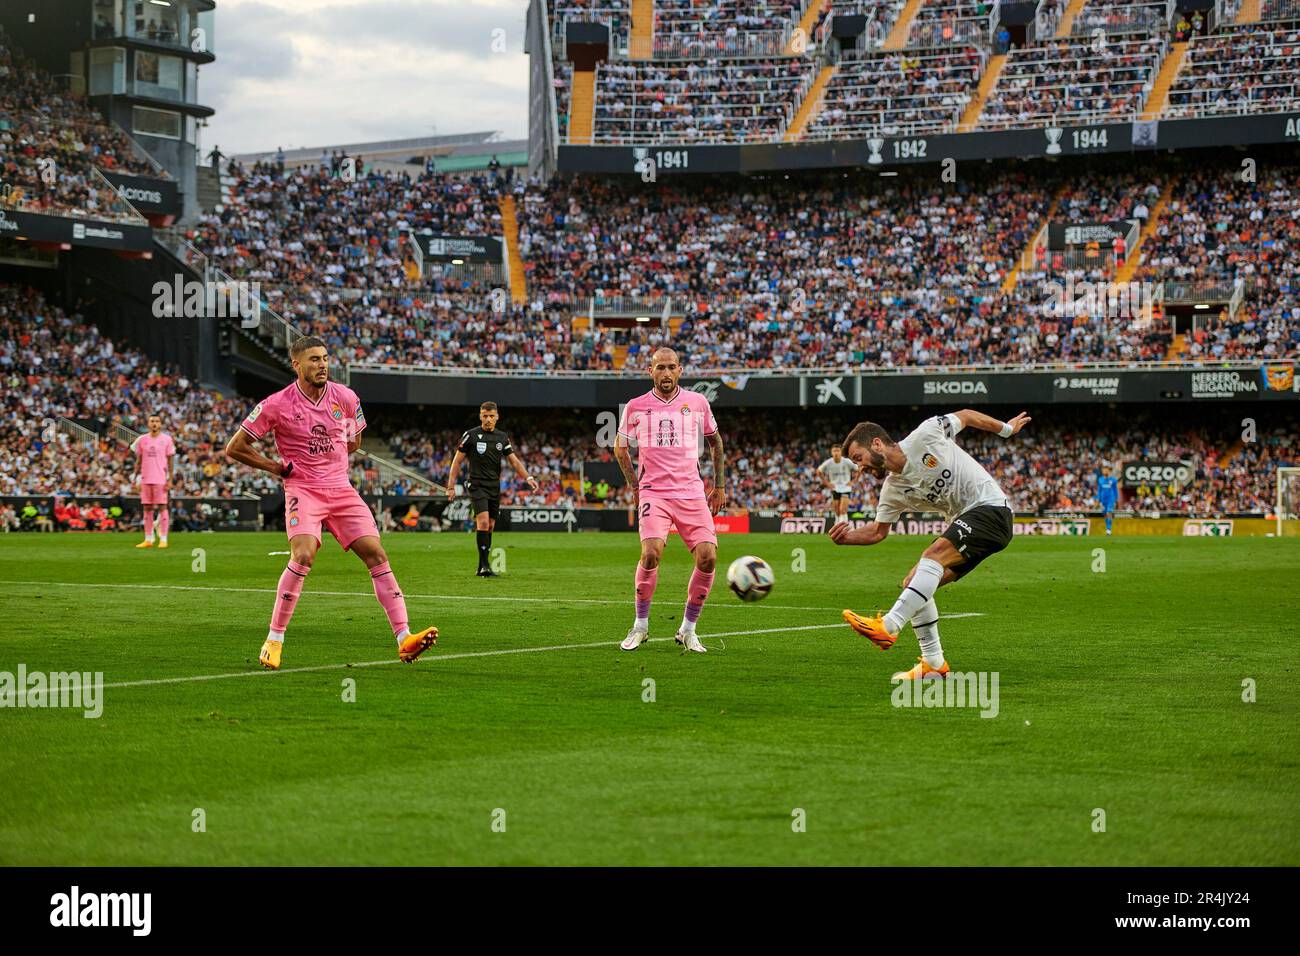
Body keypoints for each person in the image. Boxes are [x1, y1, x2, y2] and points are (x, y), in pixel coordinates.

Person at [225, 335, 439, 670]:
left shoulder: (347, 397)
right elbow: (235, 447)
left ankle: (405, 639)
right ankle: (274, 639)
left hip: (341, 489)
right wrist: (275, 466)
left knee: (376, 553)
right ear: (296, 365)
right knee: (305, 553)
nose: (322, 364)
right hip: (303, 489)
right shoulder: (276, 404)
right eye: (313, 359)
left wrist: (330, 454)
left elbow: (354, 440)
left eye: (325, 358)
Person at [831, 409, 1032, 681]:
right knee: (913, 582)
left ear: (876, 444)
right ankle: (933, 664)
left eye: (859, 458)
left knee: (932, 556)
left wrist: (1006, 430)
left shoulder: (926, 434)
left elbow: (968, 416)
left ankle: (889, 625)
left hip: (991, 508)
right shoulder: (892, 489)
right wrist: (847, 538)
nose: (860, 467)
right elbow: (878, 532)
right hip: (970, 523)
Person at [614, 347, 726, 654]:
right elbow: (620, 448)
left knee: (708, 557)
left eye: (671, 367)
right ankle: (640, 626)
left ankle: (688, 630)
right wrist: (635, 487)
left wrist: (719, 486)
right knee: (650, 554)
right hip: (655, 493)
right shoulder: (636, 407)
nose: (666, 373)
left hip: (692, 492)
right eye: (660, 367)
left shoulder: (697, 402)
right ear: (650, 371)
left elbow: (716, 441)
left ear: (680, 370)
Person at [444, 402, 538, 576]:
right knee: (484, 522)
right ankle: (484, 566)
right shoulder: (470, 435)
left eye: (491, 416)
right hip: (476, 485)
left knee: (491, 526)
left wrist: (528, 477)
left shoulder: (502, 437)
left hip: (494, 486)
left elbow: (514, 462)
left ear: (497, 417)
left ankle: (483, 566)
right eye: (485, 416)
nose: (488, 419)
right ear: (480, 416)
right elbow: (457, 461)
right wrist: (450, 486)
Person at [131, 414, 175, 548]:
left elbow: (171, 461)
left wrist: (170, 479)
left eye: (157, 421)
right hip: (145, 478)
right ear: (148, 424)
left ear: (160, 424)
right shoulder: (142, 440)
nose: (154, 423)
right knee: (147, 508)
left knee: (162, 507)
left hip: (160, 479)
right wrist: (134, 479)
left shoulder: (167, 439)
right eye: (152, 421)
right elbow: (138, 461)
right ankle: (148, 539)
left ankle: (163, 539)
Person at [816, 444, 859, 525]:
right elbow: (818, 471)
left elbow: (858, 469)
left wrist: (854, 481)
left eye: (838, 451)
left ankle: (844, 527)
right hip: (835, 488)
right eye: (834, 451)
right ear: (831, 452)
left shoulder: (846, 461)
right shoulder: (828, 462)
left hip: (846, 488)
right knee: (836, 509)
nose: (836, 453)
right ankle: (837, 525)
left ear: (841, 452)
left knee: (843, 509)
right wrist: (827, 483)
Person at [1097, 465, 1120, 535]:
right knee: (1105, 514)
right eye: (1103, 470)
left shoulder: (1113, 480)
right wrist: (1098, 499)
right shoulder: (1100, 479)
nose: (1104, 471)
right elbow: (1099, 490)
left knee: (1108, 513)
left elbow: (1115, 490)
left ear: (1109, 471)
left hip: (1111, 499)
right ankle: (1108, 526)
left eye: (1106, 470)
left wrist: (1116, 499)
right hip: (1103, 500)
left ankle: (1108, 529)